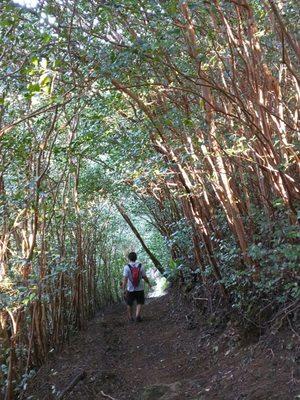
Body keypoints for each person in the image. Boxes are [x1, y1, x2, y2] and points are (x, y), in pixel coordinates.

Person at [122, 252, 152, 322]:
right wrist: (149, 283)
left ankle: (130, 318)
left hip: (130, 289)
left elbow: (125, 280)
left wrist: (124, 289)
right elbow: (144, 277)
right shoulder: (141, 266)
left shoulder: (126, 267)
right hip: (140, 288)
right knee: (139, 302)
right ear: (136, 258)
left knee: (129, 303)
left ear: (129, 258)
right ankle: (137, 315)